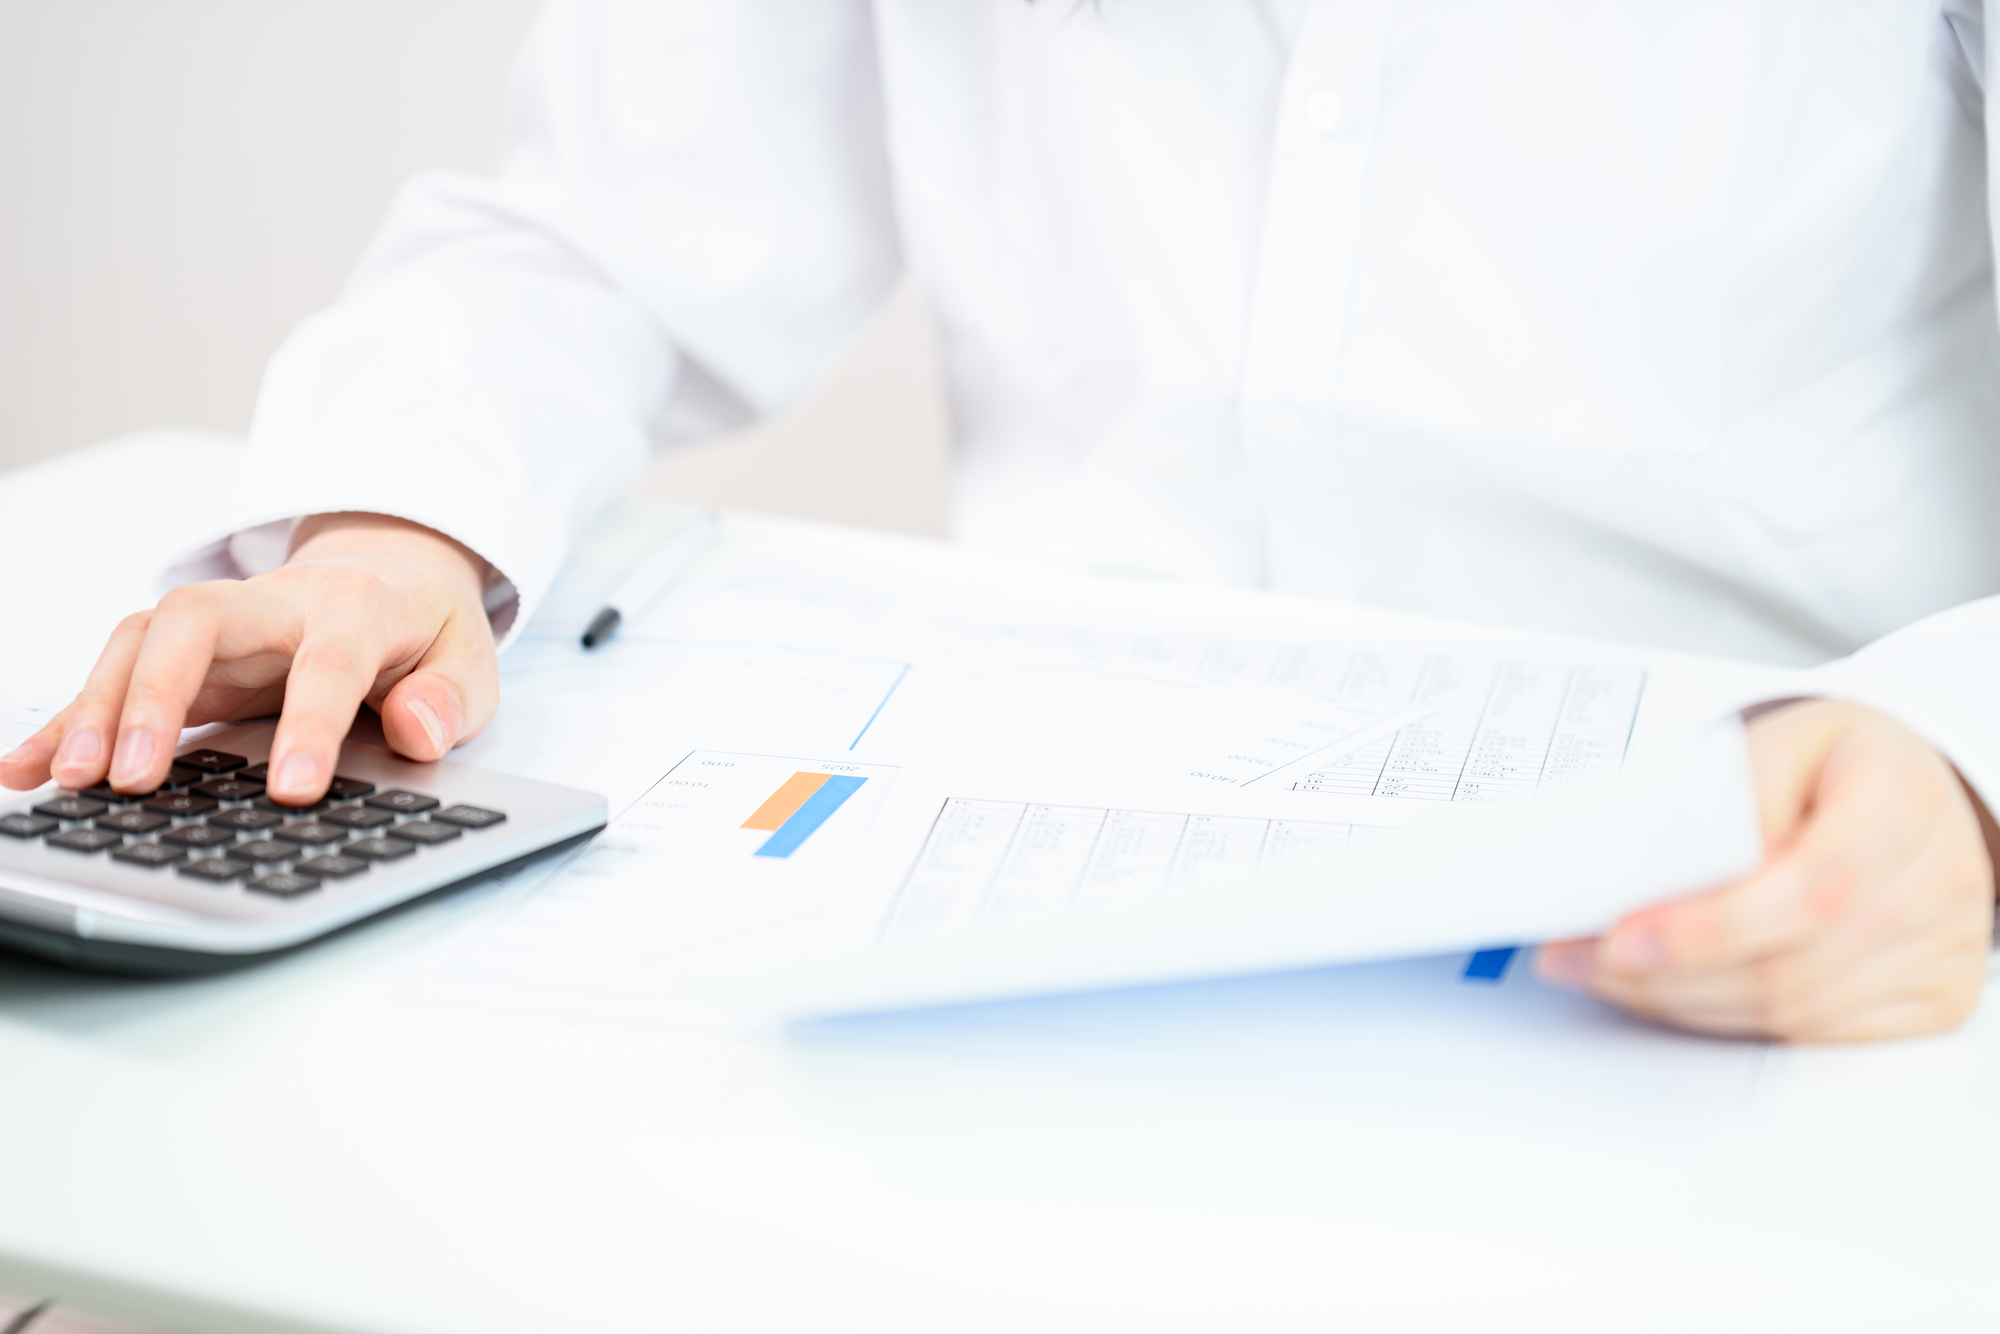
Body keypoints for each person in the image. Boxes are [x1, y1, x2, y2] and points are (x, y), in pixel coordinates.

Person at [4, 1, 1997, 1040]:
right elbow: (603, 230)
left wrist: (1961, 774)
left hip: (1765, 842)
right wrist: (390, 530)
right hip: (1055, 864)